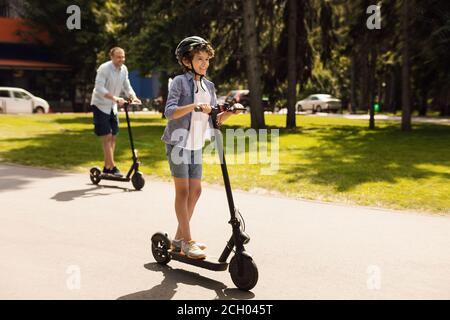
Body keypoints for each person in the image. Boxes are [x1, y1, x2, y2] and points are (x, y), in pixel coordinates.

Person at [161, 36, 242, 259]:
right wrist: (194, 106)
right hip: (178, 143)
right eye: (199, 58)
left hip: (196, 145)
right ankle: (187, 242)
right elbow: (170, 112)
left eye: (207, 59)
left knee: (195, 192)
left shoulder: (209, 86)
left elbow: (213, 119)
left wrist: (230, 113)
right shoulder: (179, 82)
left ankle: (178, 239)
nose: (204, 63)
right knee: (183, 191)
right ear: (187, 61)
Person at [90, 47, 141, 177]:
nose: (121, 59)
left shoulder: (123, 69)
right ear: (111, 57)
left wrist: (133, 97)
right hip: (100, 105)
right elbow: (99, 88)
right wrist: (115, 98)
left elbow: (126, 85)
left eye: (123, 57)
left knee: (113, 136)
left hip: (113, 106)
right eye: (118, 57)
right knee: (107, 136)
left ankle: (107, 167)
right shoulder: (104, 69)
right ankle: (112, 167)